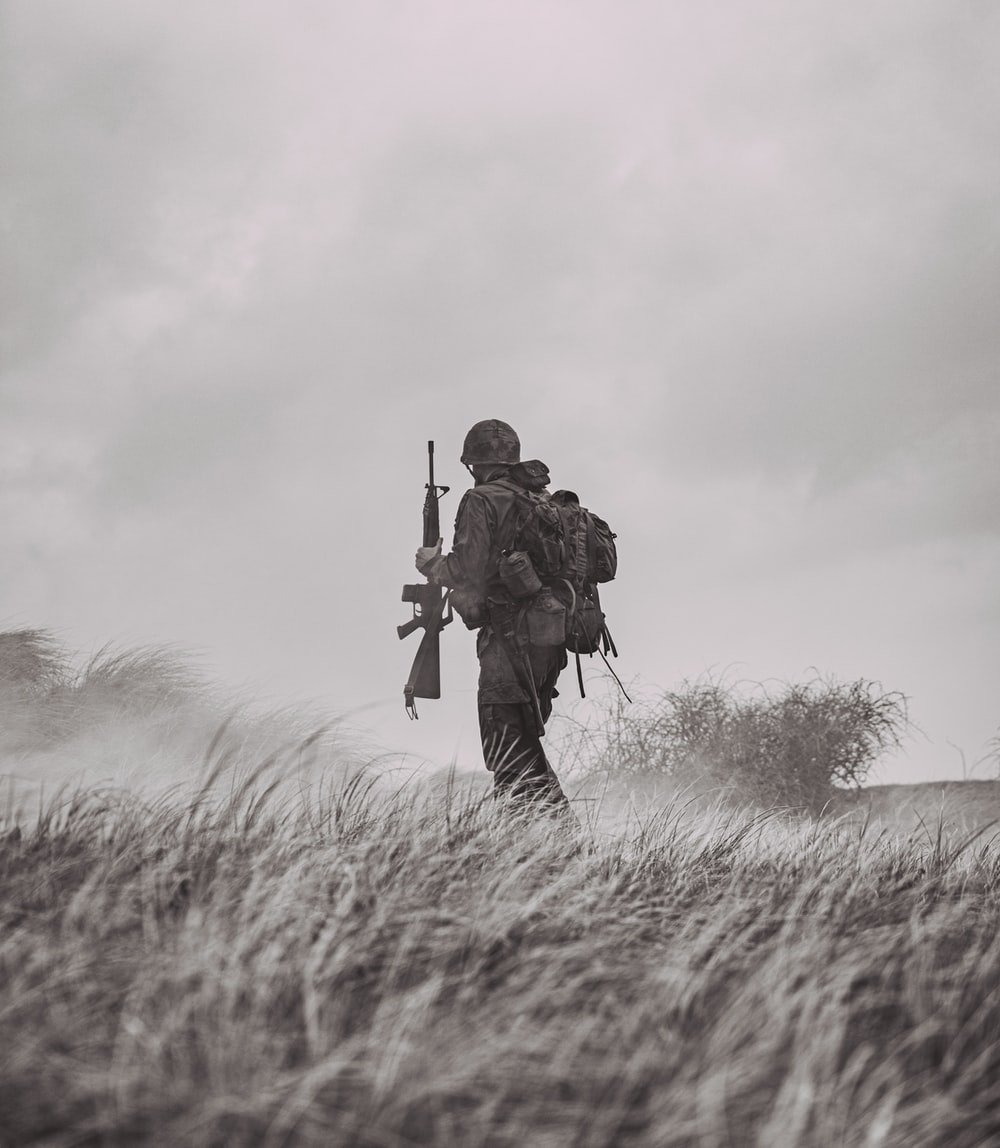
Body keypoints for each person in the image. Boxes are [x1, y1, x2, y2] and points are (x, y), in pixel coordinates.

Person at [414, 419, 571, 811]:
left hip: (508, 639)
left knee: (507, 746)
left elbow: (469, 568)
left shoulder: (480, 499)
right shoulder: (539, 498)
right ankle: (537, 839)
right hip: (547, 640)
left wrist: (433, 564)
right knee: (520, 741)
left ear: (474, 463)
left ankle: (550, 837)